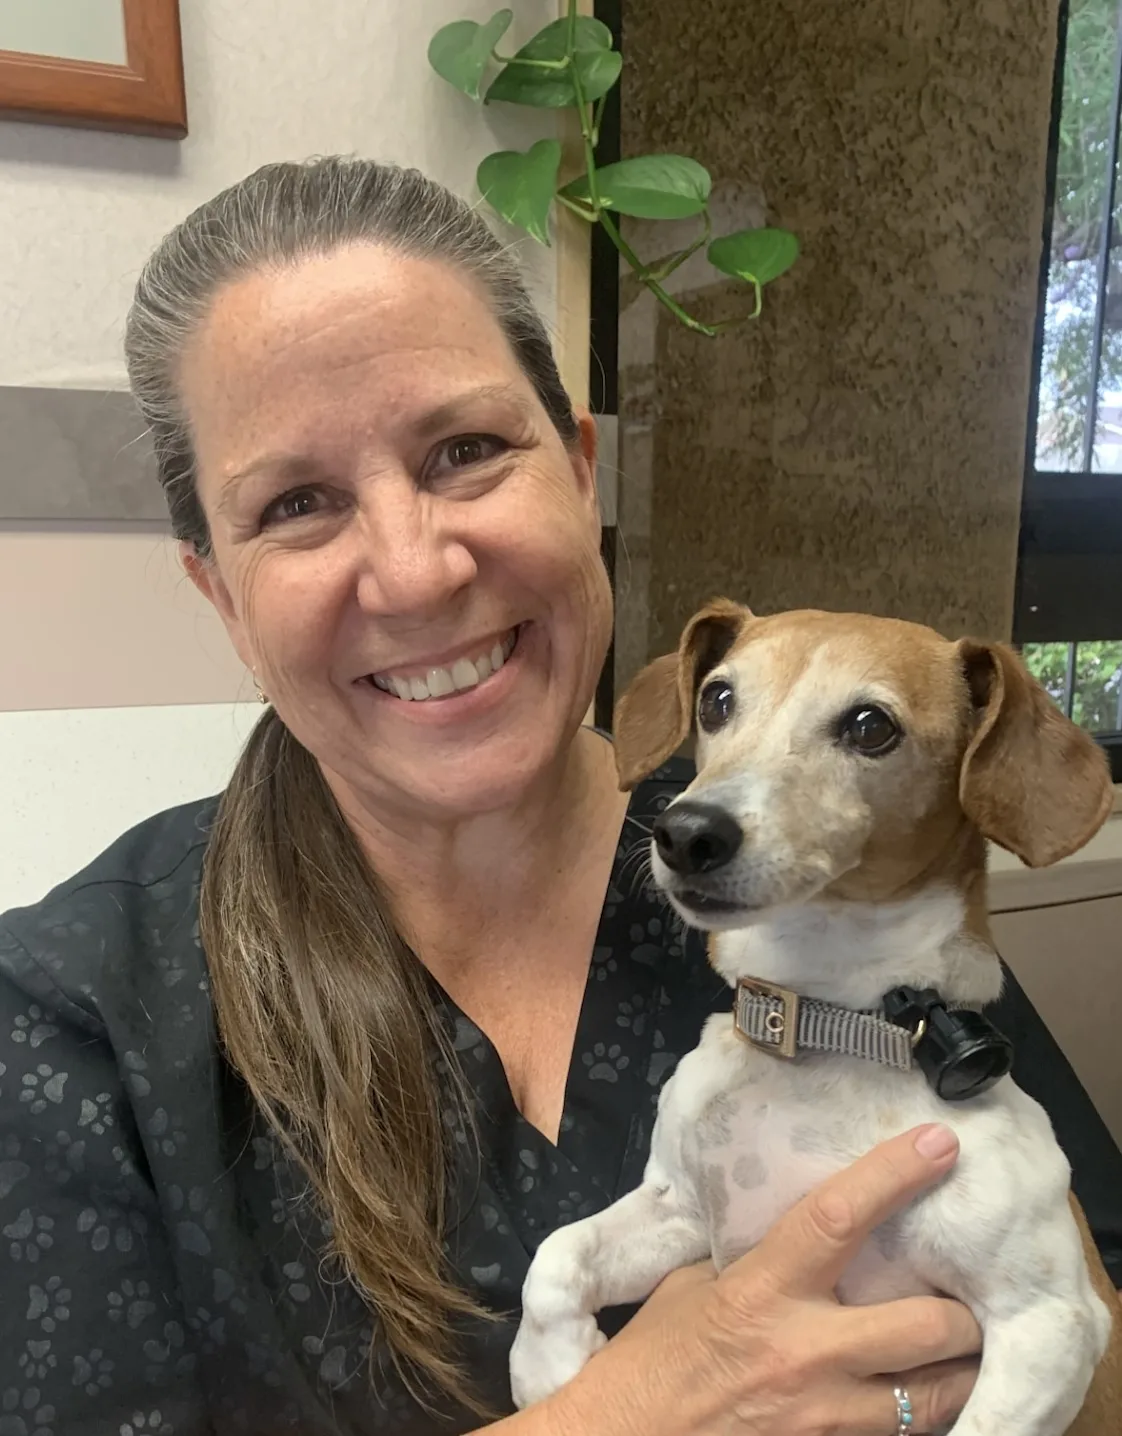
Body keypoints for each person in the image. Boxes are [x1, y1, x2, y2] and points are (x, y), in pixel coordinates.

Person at [0, 157, 1118, 1436]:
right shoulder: (72, 1013)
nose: (415, 573)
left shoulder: (845, 909)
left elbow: (1091, 1319)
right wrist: (642, 1408)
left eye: (467, 450)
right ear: (219, 597)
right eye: (296, 504)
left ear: (581, 474)